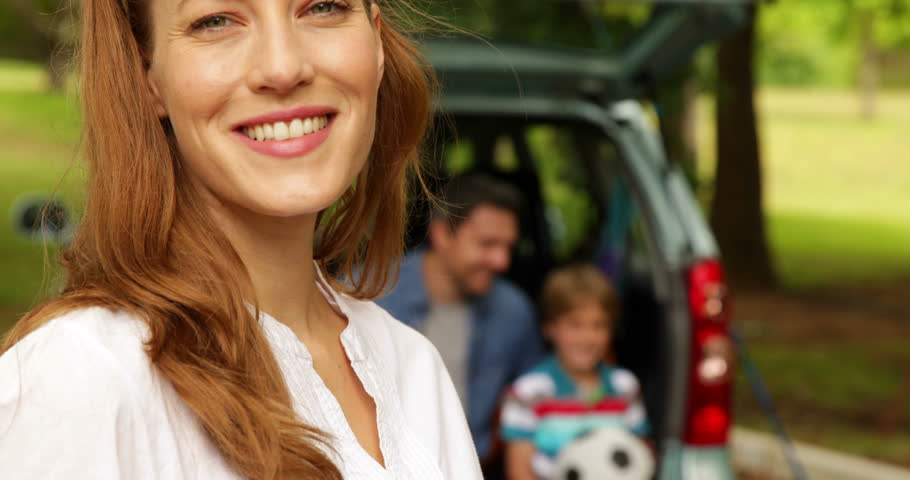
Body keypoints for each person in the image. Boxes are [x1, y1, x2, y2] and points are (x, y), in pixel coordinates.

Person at [0, 0, 482, 479]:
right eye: (214, 21)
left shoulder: (414, 368)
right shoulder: (80, 379)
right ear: (148, 77)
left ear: (375, 42)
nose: (283, 67)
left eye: (322, 7)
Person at [377, 174, 546, 463]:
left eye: (508, 247)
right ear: (442, 235)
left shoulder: (513, 311)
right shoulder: (369, 296)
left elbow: (537, 403)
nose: (502, 261)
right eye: (487, 244)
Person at [500, 265, 650, 480]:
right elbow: (519, 471)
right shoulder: (529, 392)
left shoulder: (624, 386)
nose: (588, 338)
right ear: (549, 328)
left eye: (599, 326)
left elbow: (639, 457)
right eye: (575, 325)